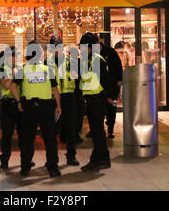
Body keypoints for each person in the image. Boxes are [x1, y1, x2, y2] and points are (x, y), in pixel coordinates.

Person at [10, 40, 62, 178]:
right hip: (46, 107)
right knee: (50, 139)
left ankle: (25, 168)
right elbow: (55, 90)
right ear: (40, 54)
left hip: (28, 108)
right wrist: (58, 106)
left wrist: (19, 101)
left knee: (27, 139)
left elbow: (12, 86)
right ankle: (53, 168)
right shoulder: (47, 69)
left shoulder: (23, 69)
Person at [79, 32, 111, 172]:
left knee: (97, 132)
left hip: (97, 100)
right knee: (98, 132)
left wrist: (107, 97)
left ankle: (96, 160)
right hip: (91, 100)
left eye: (83, 47)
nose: (81, 49)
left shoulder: (98, 60)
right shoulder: (87, 60)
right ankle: (104, 159)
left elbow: (105, 81)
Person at [49, 36, 80, 166]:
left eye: (60, 46)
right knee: (52, 130)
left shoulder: (71, 61)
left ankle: (71, 156)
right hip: (52, 98)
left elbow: (78, 80)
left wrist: (79, 96)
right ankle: (52, 159)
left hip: (68, 97)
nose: (59, 49)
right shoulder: (47, 63)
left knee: (71, 129)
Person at [0, 46, 22, 170]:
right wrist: (15, 75)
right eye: (13, 56)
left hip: (20, 104)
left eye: (17, 56)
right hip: (7, 104)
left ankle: (25, 160)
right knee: (7, 134)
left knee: (24, 134)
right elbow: (6, 85)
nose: (16, 58)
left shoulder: (21, 68)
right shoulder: (1, 68)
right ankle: (5, 159)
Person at [97, 34, 123, 139]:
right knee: (99, 109)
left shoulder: (110, 52)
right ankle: (99, 129)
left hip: (112, 85)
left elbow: (118, 65)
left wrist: (119, 79)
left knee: (112, 107)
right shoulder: (91, 54)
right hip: (98, 86)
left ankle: (110, 130)